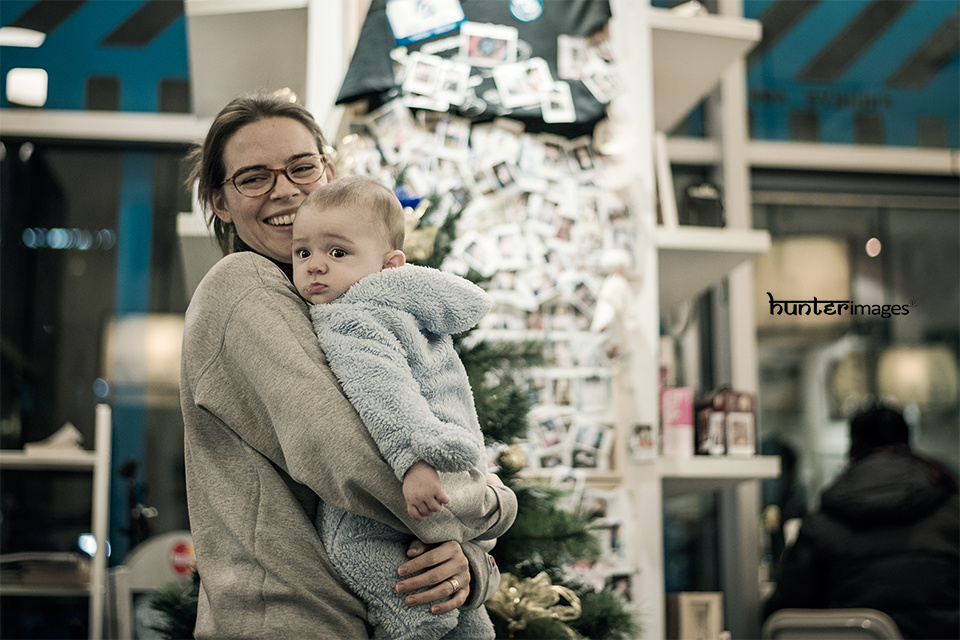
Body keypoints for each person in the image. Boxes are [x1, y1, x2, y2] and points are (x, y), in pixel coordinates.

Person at [180, 93, 517, 639]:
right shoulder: (242, 288)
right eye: (254, 178)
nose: (284, 190)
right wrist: (497, 506)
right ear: (220, 202)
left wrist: (471, 566)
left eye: (301, 167)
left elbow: (430, 420)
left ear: (328, 171)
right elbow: (353, 459)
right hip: (294, 624)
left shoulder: (338, 304)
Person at [291, 175, 503, 638]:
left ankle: (414, 626)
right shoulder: (415, 309)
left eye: (337, 252)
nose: (315, 266)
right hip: (462, 478)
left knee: (359, 555)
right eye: (302, 252)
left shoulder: (347, 318)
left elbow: (385, 394)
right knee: (460, 600)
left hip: (409, 477)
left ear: (389, 265)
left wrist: (414, 462)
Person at [761, 403, 959, 639]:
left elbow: (784, 613)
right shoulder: (952, 510)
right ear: (908, 444)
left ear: (852, 449)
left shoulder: (821, 524)